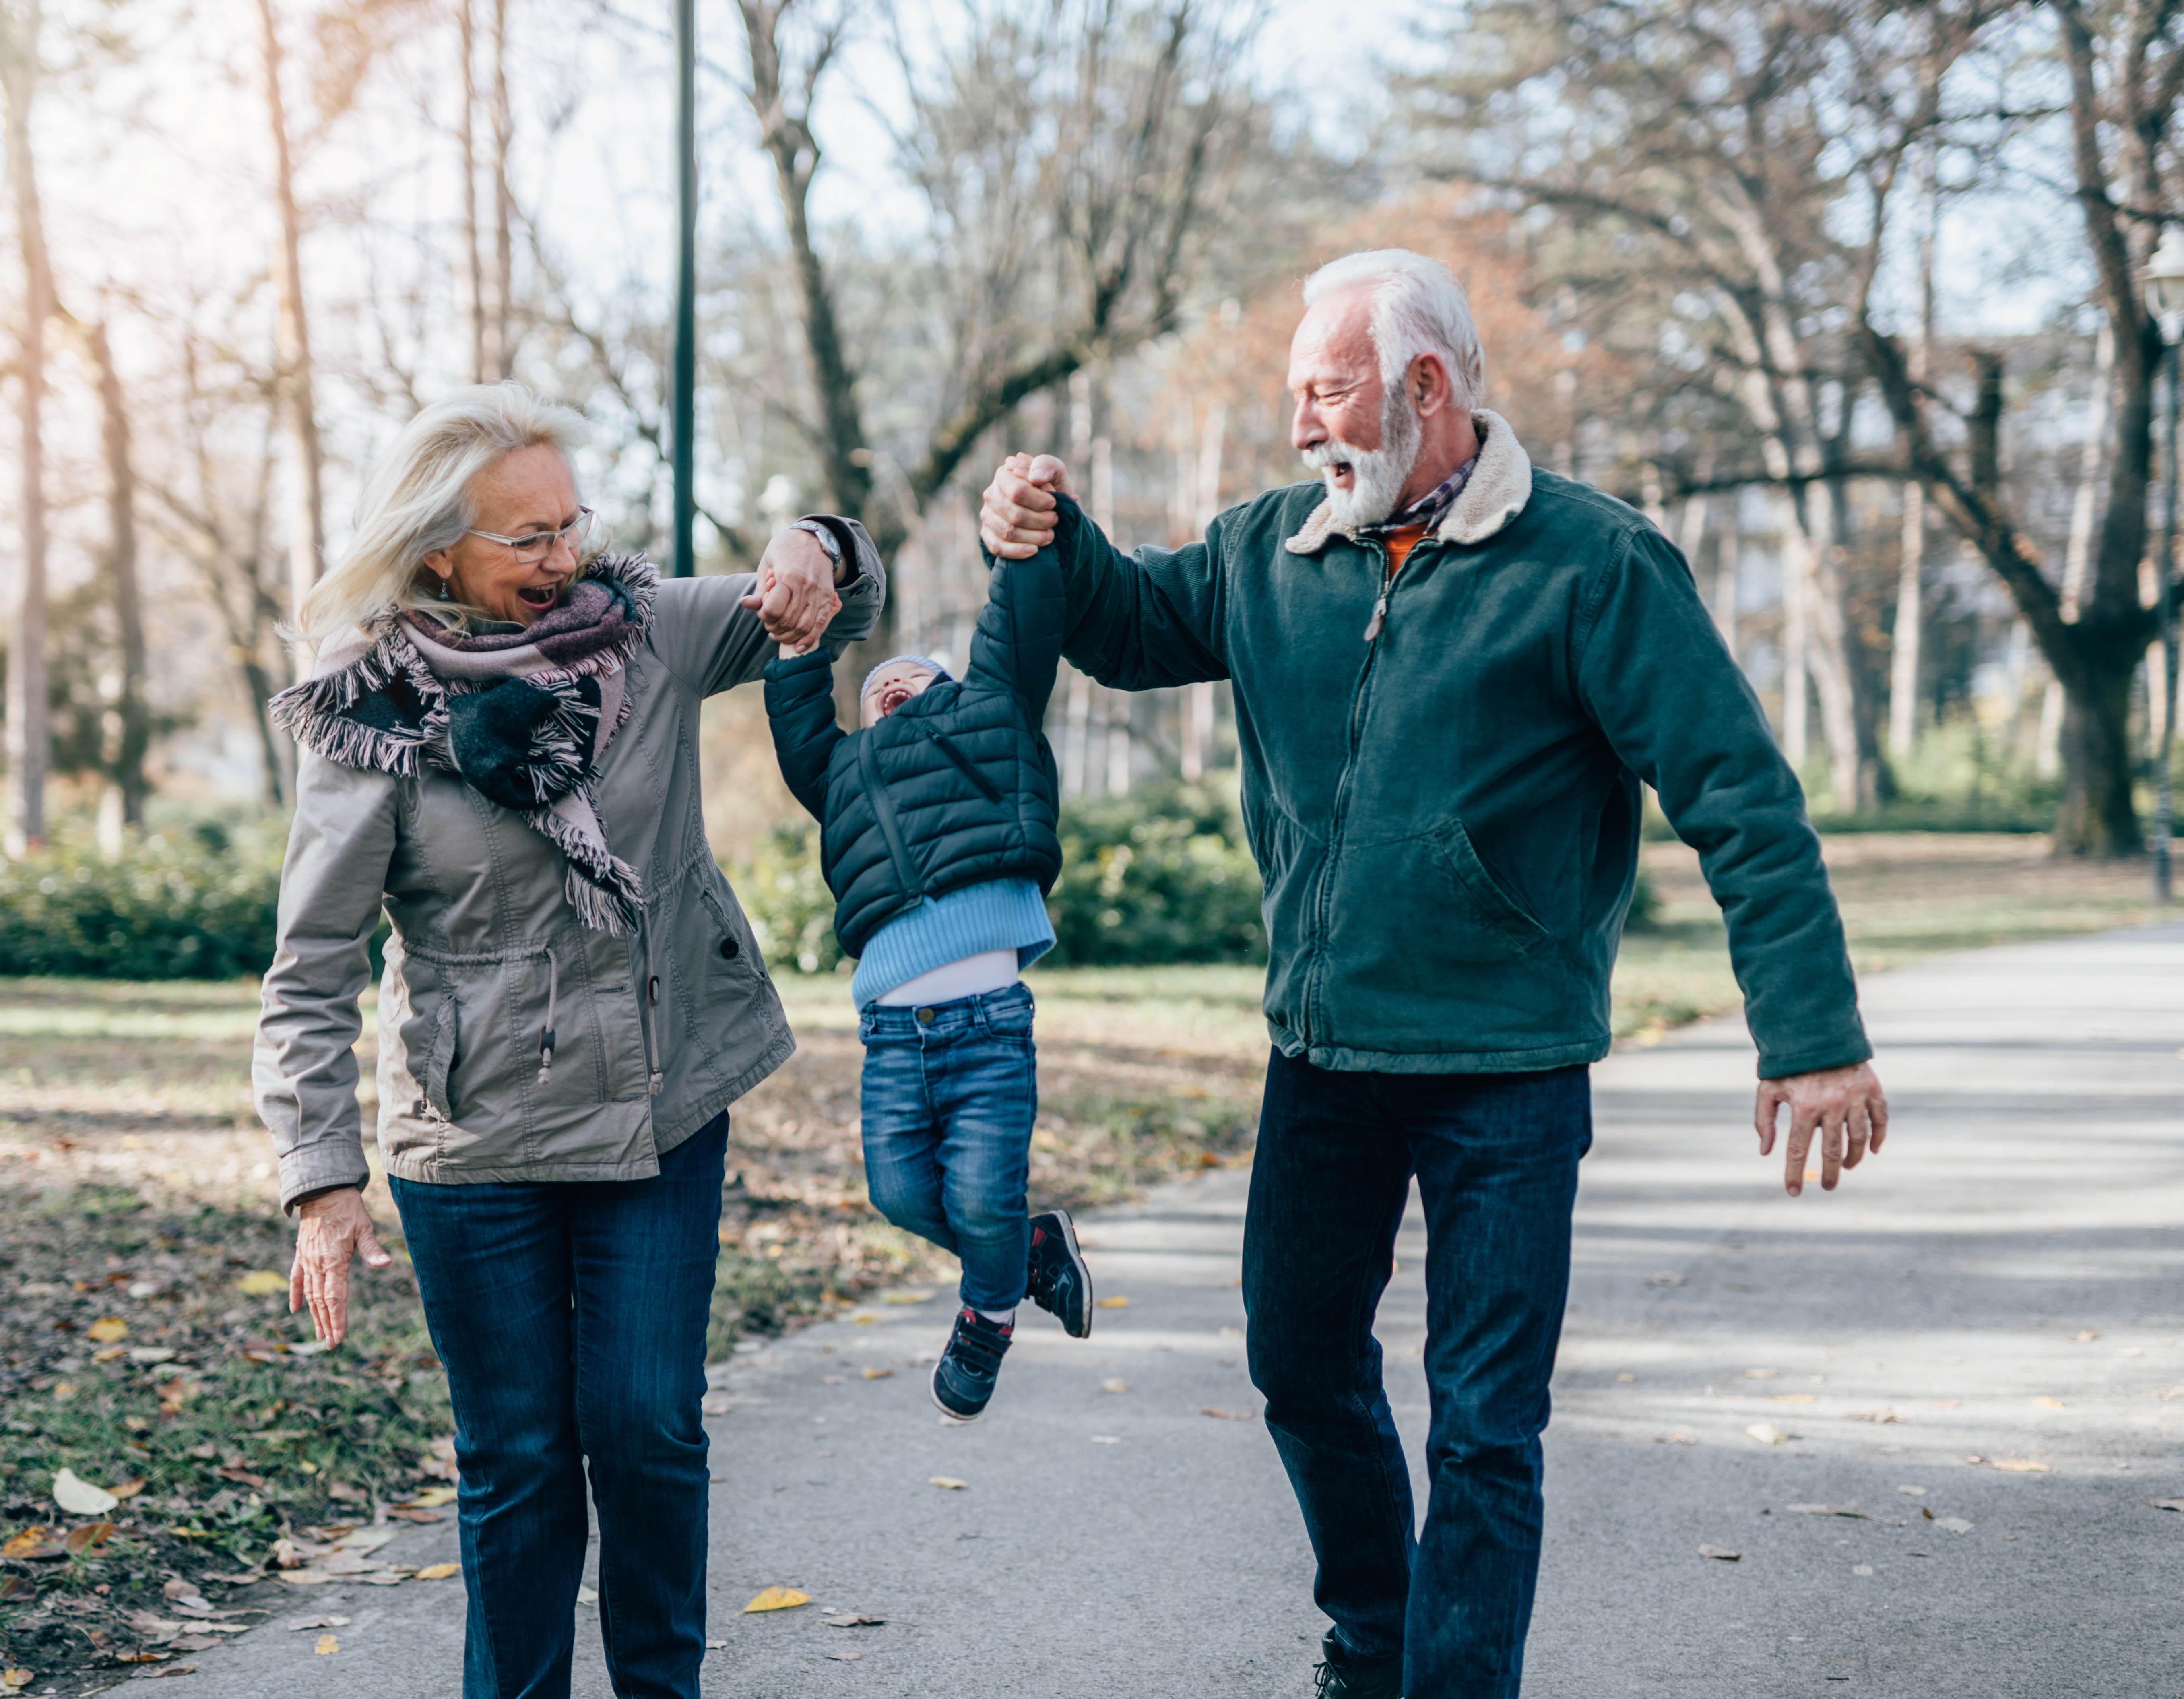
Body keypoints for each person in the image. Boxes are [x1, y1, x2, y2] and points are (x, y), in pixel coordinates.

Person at [978, 250, 1890, 1699]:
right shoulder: (1273, 546)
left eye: (1325, 391)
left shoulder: (1593, 564)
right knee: (1297, 1359)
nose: (1300, 428)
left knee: (1482, 1421)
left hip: (1506, 1070)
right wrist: (1045, 530)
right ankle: (1375, 1635)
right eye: (1293, 395)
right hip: (1324, 1059)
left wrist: (1812, 1034)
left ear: (1427, 388)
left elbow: (1740, 798)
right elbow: (1130, 624)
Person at [252, 381, 884, 1699]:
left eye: (572, 524)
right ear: (440, 551)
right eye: (527, 538)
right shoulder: (369, 715)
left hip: (660, 1102)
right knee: (522, 1457)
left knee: (647, 1428)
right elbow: (314, 963)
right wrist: (321, 1180)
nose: (566, 557)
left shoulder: (642, 632)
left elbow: (823, 601)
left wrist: (818, 550)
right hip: (473, 1138)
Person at [759, 545, 1094, 1422]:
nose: (889, 685)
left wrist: (1021, 545)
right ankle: (1029, 1250)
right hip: (892, 1036)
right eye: (875, 689)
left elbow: (1013, 630)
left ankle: (987, 1317)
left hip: (987, 1025)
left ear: (952, 693)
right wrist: (802, 647)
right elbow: (802, 726)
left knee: (980, 1192)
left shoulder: (990, 715)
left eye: (912, 677)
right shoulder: (843, 776)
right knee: (900, 1193)